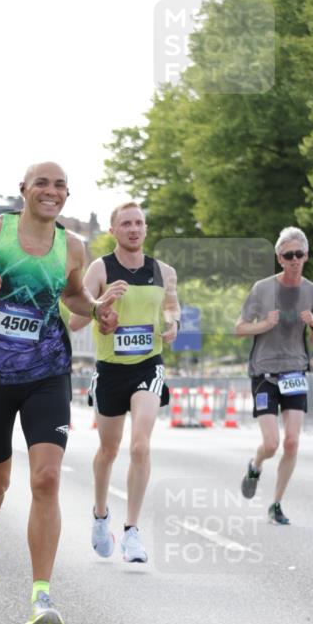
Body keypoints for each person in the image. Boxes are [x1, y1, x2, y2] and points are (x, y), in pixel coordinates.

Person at [0, 161, 124, 624]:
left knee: (46, 478)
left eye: (60, 185)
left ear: (66, 197)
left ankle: (42, 596)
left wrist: (99, 312)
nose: (51, 191)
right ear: (23, 190)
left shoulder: (72, 246)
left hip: (47, 372)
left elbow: (75, 297)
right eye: (42, 182)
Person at [68, 202, 180, 564]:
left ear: (146, 230)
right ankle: (101, 515)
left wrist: (173, 325)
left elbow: (171, 310)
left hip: (148, 366)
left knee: (140, 447)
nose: (134, 229)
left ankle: (132, 531)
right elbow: (75, 320)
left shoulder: (163, 271)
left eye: (139, 224)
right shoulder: (100, 269)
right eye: (126, 224)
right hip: (110, 370)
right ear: (114, 231)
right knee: (109, 451)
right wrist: (101, 306)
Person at [235, 226, 313, 524]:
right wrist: (262, 325)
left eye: (299, 254)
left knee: (292, 443)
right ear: (279, 258)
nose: (295, 259)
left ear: (306, 256)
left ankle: (276, 504)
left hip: (295, 370)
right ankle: (255, 464)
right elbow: (239, 327)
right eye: (289, 255)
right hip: (264, 371)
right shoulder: (262, 289)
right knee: (272, 443)